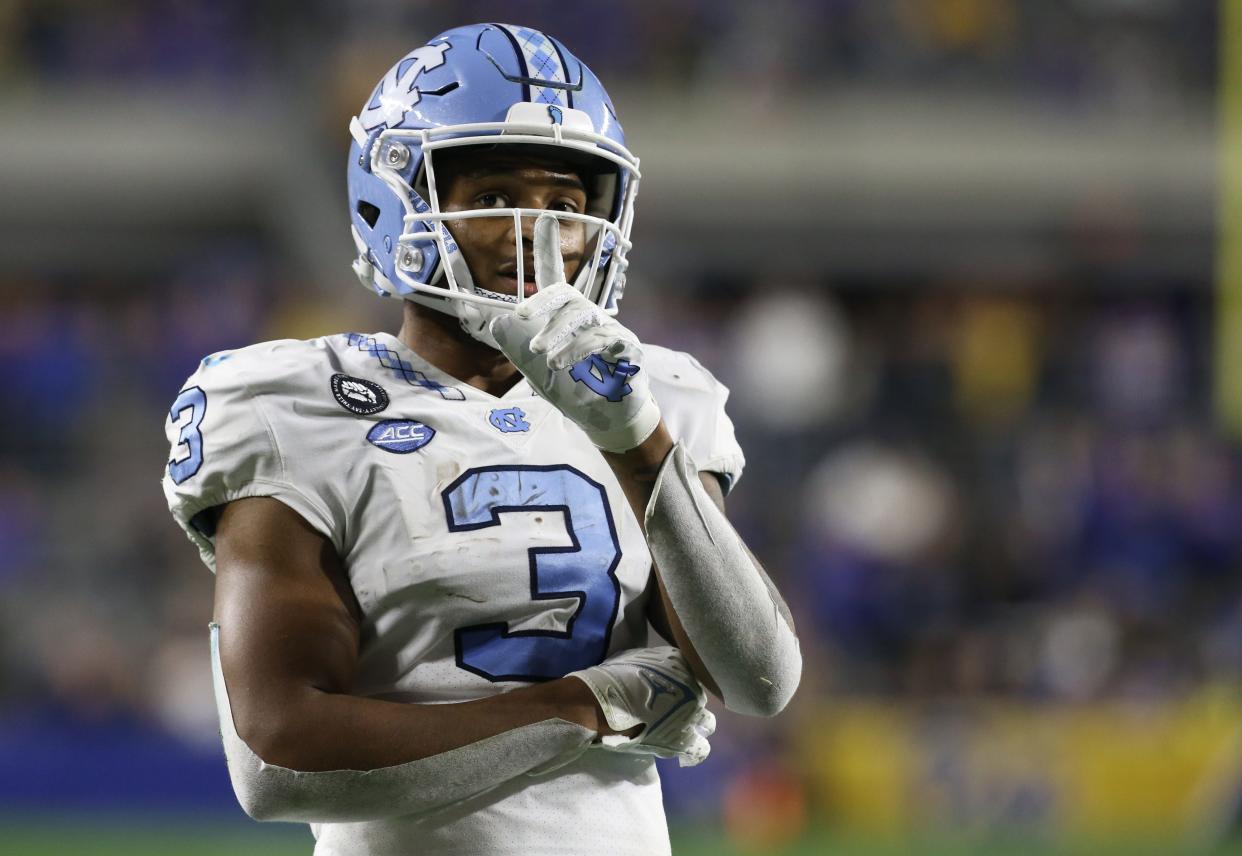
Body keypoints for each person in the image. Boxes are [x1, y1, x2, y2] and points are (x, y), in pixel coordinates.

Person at [162, 22, 801, 856]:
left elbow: (758, 680)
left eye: (566, 206)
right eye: (495, 193)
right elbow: (278, 761)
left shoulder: (656, 394)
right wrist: (585, 707)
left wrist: (634, 438)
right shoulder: (295, 404)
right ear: (396, 202)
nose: (531, 233)